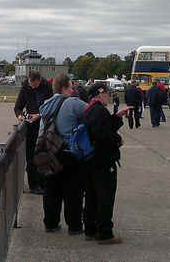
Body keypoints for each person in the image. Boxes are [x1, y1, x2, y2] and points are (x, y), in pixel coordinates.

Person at [38, 74, 86, 234]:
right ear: (64, 88)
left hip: (49, 151)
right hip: (68, 152)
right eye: (71, 87)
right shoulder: (72, 102)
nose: (73, 90)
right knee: (73, 192)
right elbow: (93, 112)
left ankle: (50, 223)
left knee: (51, 190)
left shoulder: (46, 105)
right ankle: (74, 226)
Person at [82, 83, 130, 244]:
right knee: (105, 196)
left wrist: (117, 117)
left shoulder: (90, 110)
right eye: (106, 94)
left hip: (90, 161)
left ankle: (90, 228)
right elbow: (102, 134)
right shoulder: (99, 111)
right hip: (103, 160)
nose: (108, 96)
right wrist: (118, 140)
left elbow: (103, 127)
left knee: (91, 196)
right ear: (99, 94)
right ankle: (105, 232)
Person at [14, 70, 53, 195]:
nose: (32, 87)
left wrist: (39, 115)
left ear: (39, 80)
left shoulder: (47, 86)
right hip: (31, 126)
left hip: (45, 124)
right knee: (31, 156)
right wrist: (21, 116)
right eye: (31, 85)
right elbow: (18, 107)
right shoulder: (26, 87)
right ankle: (33, 185)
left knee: (43, 155)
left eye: (34, 85)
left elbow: (52, 106)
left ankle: (43, 183)